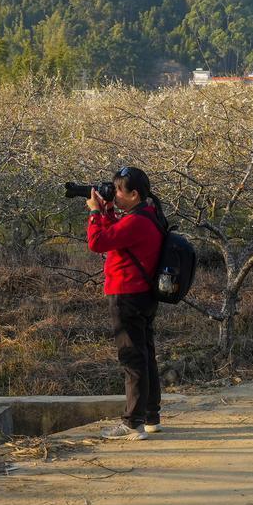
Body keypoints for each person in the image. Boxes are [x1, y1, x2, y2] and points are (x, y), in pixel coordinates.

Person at [86, 166, 168, 440]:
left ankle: (132, 423)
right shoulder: (148, 214)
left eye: (119, 190)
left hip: (127, 295)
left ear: (134, 194)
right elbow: (117, 236)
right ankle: (151, 416)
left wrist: (95, 213)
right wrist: (108, 211)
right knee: (145, 355)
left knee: (132, 359)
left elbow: (98, 242)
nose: (115, 194)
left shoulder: (136, 221)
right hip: (143, 295)